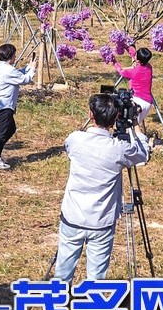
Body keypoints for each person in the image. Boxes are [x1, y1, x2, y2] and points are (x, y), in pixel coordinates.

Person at [54, 94, 150, 283]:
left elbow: (71, 143)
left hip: (73, 216)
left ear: (91, 114)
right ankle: (92, 308)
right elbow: (143, 153)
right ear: (116, 118)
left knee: (63, 274)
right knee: (96, 278)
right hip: (102, 221)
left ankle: (58, 306)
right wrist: (135, 123)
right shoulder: (119, 149)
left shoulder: (75, 140)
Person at [0, 43, 35, 169]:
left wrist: (28, 67)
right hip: (3, 107)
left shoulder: (1, 67)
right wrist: (33, 68)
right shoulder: (7, 70)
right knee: (1, 134)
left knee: (11, 128)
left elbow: (18, 74)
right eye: (14, 54)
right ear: (10, 55)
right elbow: (25, 80)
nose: (15, 56)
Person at [114, 46, 154, 131]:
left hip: (137, 102)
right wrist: (125, 46)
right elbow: (135, 56)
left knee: (129, 128)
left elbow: (121, 71)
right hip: (147, 102)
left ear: (138, 60)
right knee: (134, 127)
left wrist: (114, 61)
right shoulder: (149, 67)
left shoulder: (134, 72)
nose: (134, 56)